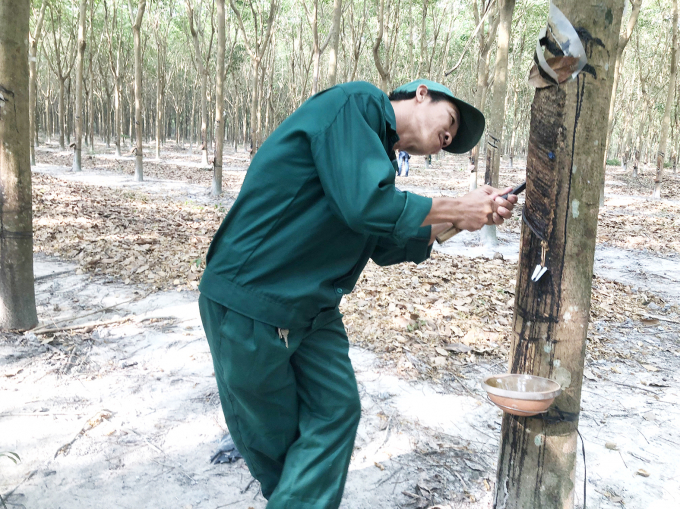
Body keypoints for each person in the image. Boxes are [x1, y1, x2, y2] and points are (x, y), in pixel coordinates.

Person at [198, 79, 517, 509]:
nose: (448, 139)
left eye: (452, 141)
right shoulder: (358, 104)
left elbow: (383, 240)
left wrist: (464, 221)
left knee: (337, 411)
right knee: (277, 449)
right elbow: (365, 204)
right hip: (252, 298)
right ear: (421, 94)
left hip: (312, 311)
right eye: (452, 121)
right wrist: (456, 206)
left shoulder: (376, 159)